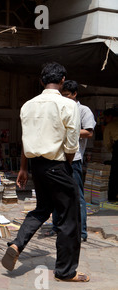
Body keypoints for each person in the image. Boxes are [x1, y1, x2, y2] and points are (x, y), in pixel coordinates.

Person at [1, 62, 89, 282]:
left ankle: (16, 244)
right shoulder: (69, 105)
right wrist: (67, 165)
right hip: (58, 165)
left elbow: (25, 140)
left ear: (41, 81)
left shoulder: (28, 105)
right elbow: (71, 144)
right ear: (62, 81)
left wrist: (23, 168)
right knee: (70, 217)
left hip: (36, 166)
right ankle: (66, 271)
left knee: (42, 209)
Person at [45, 80, 96, 241]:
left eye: (67, 95)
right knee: (56, 194)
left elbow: (88, 132)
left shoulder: (83, 110)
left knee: (77, 196)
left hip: (74, 159)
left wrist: (68, 131)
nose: (65, 98)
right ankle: (56, 226)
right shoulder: (60, 108)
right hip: (57, 157)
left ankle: (81, 232)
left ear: (75, 94)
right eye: (63, 95)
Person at [103, 107, 118, 201]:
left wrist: (112, 150)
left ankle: (113, 197)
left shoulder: (110, 125)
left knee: (115, 174)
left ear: (110, 116)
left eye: (105, 117)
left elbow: (107, 142)